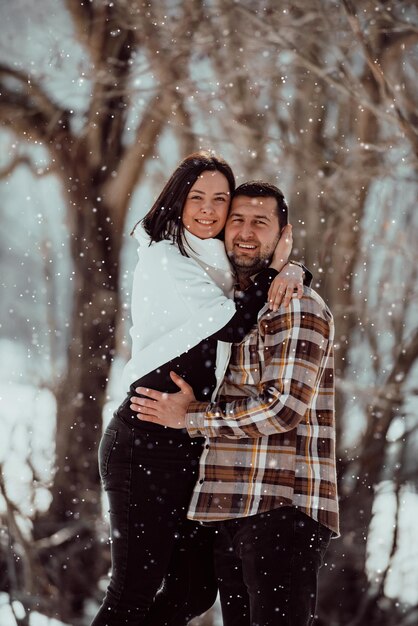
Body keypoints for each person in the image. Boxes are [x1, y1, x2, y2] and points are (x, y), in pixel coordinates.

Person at [92, 156, 307, 626]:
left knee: (192, 590)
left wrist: (295, 269)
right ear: (178, 200)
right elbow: (233, 323)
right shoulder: (167, 258)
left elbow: (253, 273)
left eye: (220, 199)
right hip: (145, 440)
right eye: (197, 197)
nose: (209, 210)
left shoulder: (215, 261)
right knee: (132, 592)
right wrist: (282, 268)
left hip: (191, 443)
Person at [131, 181, 339, 626]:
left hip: (282, 506)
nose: (245, 232)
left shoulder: (296, 308)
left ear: (284, 236)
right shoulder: (237, 308)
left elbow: (282, 408)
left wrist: (190, 418)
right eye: (237, 220)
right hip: (231, 504)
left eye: (260, 222)